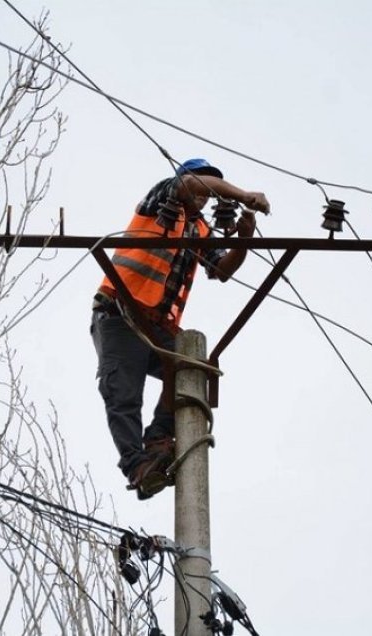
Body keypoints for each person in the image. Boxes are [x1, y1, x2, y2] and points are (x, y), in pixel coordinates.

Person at [90, 158, 270, 499]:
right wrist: (245, 195)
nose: (204, 196)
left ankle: (159, 441)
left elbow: (221, 271)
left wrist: (243, 240)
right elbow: (190, 186)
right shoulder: (162, 199)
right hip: (119, 314)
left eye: (209, 192)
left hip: (156, 326)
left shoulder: (200, 229)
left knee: (193, 374)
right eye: (204, 186)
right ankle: (137, 466)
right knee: (123, 392)